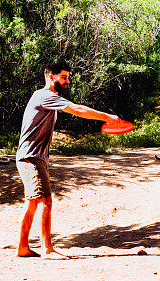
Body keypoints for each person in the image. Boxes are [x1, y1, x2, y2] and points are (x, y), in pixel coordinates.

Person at [15, 59, 120, 259]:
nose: (67, 81)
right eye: (63, 77)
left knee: (33, 201)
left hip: (34, 157)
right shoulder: (44, 96)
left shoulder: (46, 98)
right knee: (45, 200)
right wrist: (106, 116)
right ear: (50, 76)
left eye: (68, 78)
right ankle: (47, 250)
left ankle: (23, 247)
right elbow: (77, 109)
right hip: (31, 157)